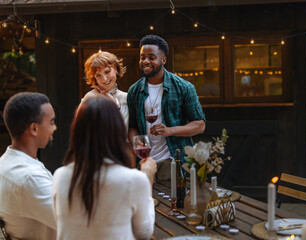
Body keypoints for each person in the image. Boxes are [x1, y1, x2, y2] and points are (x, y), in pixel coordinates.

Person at [52, 95, 156, 240]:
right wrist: (147, 176)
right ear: (118, 130)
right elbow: (143, 233)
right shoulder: (134, 180)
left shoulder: (60, 176)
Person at [127, 34, 206, 180]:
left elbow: (200, 125)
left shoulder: (184, 88)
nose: (145, 61)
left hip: (172, 161)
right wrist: (137, 146)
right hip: (144, 162)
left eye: (151, 57)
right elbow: (132, 127)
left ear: (163, 60)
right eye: (142, 57)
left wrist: (170, 131)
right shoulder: (134, 91)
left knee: (171, 202)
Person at [0, 92, 57, 239]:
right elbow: (73, 222)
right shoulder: (29, 177)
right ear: (34, 129)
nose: (55, 127)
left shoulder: (5, 162)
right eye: (51, 122)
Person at [83, 51, 129, 130]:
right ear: (94, 78)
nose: (104, 78)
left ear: (116, 69)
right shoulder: (90, 97)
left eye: (107, 72)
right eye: (98, 75)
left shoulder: (127, 97)